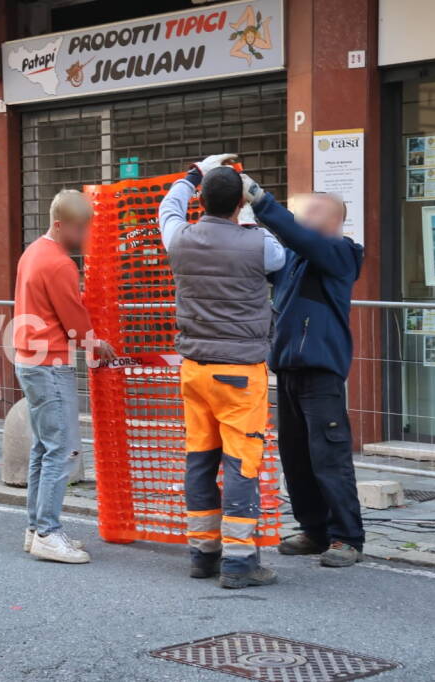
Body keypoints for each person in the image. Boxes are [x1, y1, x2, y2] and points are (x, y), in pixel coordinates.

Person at [157, 156, 286, 589]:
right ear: (238, 205)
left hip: (194, 369)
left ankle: (202, 553)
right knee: (240, 463)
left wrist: (192, 173)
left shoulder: (180, 238)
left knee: (200, 458)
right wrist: (250, 213)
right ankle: (239, 561)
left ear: (202, 201)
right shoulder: (258, 243)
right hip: (240, 372)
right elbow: (279, 255)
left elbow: (167, 208)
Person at [241, 175, 366, 567]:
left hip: (320, 373)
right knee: (296, 459)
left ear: (331, 220)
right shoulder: (294, 256)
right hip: (288, 371)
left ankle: (347, 538)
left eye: (307, 213)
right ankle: (314, 530)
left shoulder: (342, 252)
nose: (298, 219)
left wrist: (261, 201)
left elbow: (301, 237)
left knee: (330, 458)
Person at [14, 189, 116, 564]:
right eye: (79, 229)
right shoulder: (59, 264)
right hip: (49, 365)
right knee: (63, 449)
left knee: (45, 448)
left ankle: (36, 527)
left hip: (30, 359)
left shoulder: (33, 252)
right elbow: (73, 319)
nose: (84, 237)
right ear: (60, 225)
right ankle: (47, 532)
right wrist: (96, 343)